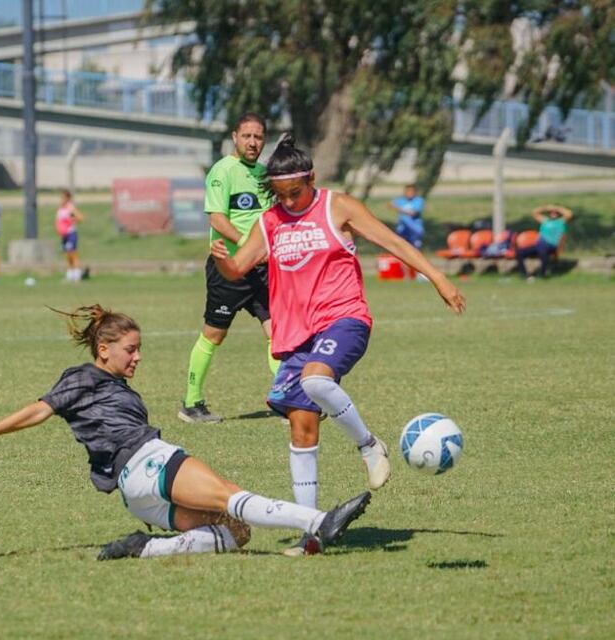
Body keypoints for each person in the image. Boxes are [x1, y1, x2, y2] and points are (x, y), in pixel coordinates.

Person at [0, 304, 371, 560]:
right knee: (231, 495)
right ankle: (320, 523)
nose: (137, 357)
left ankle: (144, 548)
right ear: (103, 349)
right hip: (150, 460)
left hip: (136, 493)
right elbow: (38, 410)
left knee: (236, 531)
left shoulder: (116, 388)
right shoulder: (82, 377)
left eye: (139, 349)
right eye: (130, 349)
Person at [210, 133, 466, 555]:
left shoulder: (338, 206)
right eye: (280, 194)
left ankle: (369, 446)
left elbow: (395, 243)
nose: (289, 202)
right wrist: (222, 258)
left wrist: (437, 277)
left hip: (344, 319)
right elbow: (238, 268)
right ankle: (311, 534)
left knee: (314, 381)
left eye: (295, 192)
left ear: (311, 178)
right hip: (296, 333)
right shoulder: (269, 221)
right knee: (301, 425)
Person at [180, 112, 278, 424]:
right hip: (231, 268)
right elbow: (218, 220)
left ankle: (285, 401)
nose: (253, 142)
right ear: (235, 137)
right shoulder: (222, 172)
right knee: (214, 335)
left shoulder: (263, 174)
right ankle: (191, 404)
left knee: (277, 332)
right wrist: (250, 246)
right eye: (247, 136)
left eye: (258, 137)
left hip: (261, 269)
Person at [515, 204, 572, 280]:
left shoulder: (561, 221)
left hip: (551, 246)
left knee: (542, 247)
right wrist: (547, 208)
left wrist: (557, 208)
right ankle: (524, 275)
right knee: (519, 252)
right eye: (552, 212)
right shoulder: (545, 220)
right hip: (539, 246)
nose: (554, 213)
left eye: (556, 213)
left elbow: (569, 214)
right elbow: (534, 212)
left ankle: (542, 274)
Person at [55, 189, 86, 282]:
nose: (61, 199)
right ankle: (70, 275)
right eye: (61, 197)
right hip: (64, 235)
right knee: (67, 255)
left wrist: (73, 219)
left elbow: (80, 218)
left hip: (71, 233)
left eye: (63, 197)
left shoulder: (70, 208)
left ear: (68, 198)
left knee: (73, 254)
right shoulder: (60, 209)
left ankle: (77, 275)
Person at [389, 184, 425, 249]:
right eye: (408, 191)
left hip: (415, 229)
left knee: (415, 248)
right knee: (402, 248)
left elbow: (413, 213)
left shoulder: (419, 200)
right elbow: (390, 204)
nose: (409, 193)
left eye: (411, 191)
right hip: (402, 229)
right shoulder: (401, 200)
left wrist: (398, 208)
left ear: (415, 192)